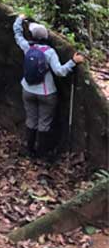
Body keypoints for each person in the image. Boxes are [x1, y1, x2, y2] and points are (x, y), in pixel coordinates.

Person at [12, 15, 84, 162]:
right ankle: (41, 154)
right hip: (46, 93)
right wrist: (73, 61)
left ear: (32, 36)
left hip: (27, 90)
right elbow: (60, 72)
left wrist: (19, 19)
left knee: (31, 120)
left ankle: (29, 150)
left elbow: (17, 33)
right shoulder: (49, 52)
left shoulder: (27, 47)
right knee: (44, 123)